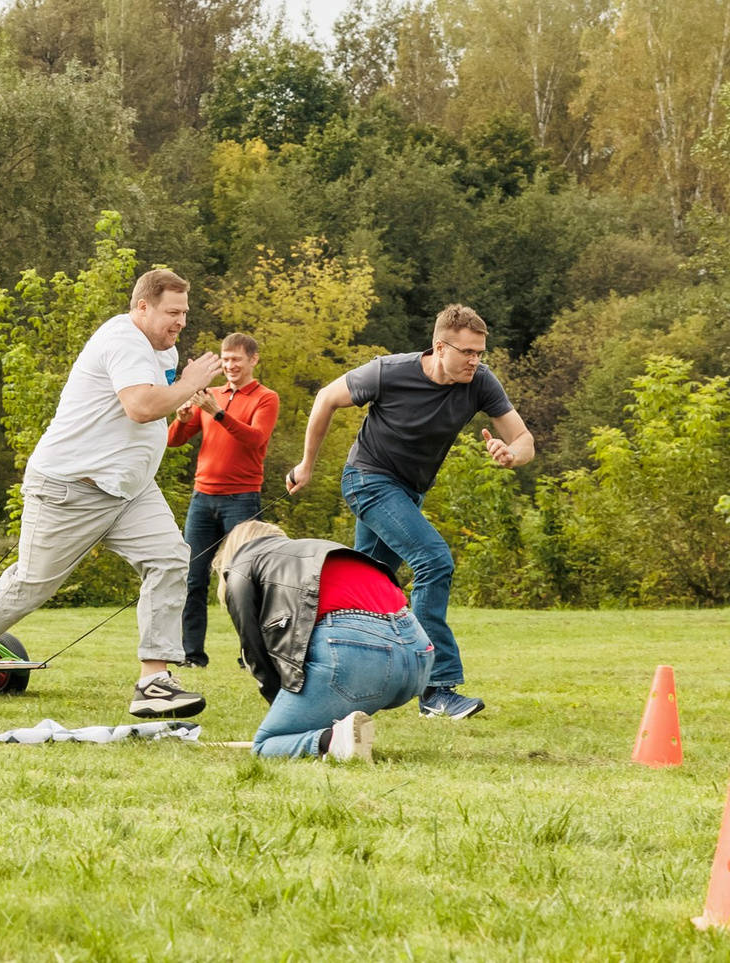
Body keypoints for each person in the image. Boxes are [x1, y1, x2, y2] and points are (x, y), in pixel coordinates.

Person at [0, 269, 222, 718]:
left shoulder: (160, 348)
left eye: (185, 312)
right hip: (69, 490)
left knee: (169, 560)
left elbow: (150, 405)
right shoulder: (123, 341)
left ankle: (153, 681)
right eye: (173, 312)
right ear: (142, 307)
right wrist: (188, 383)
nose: (181, 321)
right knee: (31, 586)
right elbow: (140, 407)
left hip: (129, 491)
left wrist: (180, 394)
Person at [283, 302, 534, 720]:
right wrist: (307, 464)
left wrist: (512, 454)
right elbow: (326, 397)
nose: (475, 361)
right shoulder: (389, 372)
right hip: (368, 479)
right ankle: (437, 689)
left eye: (480, 353)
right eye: (467, 352)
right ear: (441, 347)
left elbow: (524, 438)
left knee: (365, 588)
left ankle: (306, 660)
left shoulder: (480, 382)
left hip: (409, 492)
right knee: (434, 560)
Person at [214, 519, 431, 760]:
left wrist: (283, 706)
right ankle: (344, 732)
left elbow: (255, 650)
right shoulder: (317, 548)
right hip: (418, 658)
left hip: (357, 656)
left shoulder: (243, 562)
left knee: (266, 745)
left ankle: (332, 741)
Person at [166, 332, 278, 669]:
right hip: (202, 498)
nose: (230, 366)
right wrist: (182, 418)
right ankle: (192, 655)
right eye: (225, 360)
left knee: (243, 580)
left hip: (242, 499)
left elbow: (255, 440)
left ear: (253, 360)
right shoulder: (210, 395)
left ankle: (251, 655)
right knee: (193, 578)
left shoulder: (265, 398)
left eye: (236, 360)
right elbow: (173, 441)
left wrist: (217, 413)